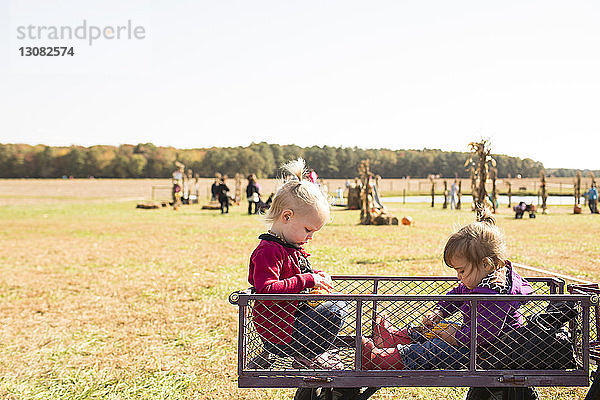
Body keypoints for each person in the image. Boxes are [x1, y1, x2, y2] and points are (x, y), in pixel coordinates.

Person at [361, 208, 533, 370]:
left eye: (462, 270)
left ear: (486, 264)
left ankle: (381, 360)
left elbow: (480, 336)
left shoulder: (496, 294)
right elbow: (458, 294)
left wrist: (454, 336)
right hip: (475, 342)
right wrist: (440, 311)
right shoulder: (481, 280)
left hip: (489, 353)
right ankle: (393, 338)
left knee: (436, 348)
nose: (459, 276)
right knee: (435, 330)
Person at [248, 158, 347, 368]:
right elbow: (266, 289)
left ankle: (310, 353)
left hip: (291, 327)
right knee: (336, 308)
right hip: (281, 335)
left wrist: (316, 276)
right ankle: (309, 355)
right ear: (287, 217)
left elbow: (296, 274)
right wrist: (307, 280)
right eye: (308, 230)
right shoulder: (268, 251)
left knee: (337, 302)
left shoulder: (290, 247)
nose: (311, 237)